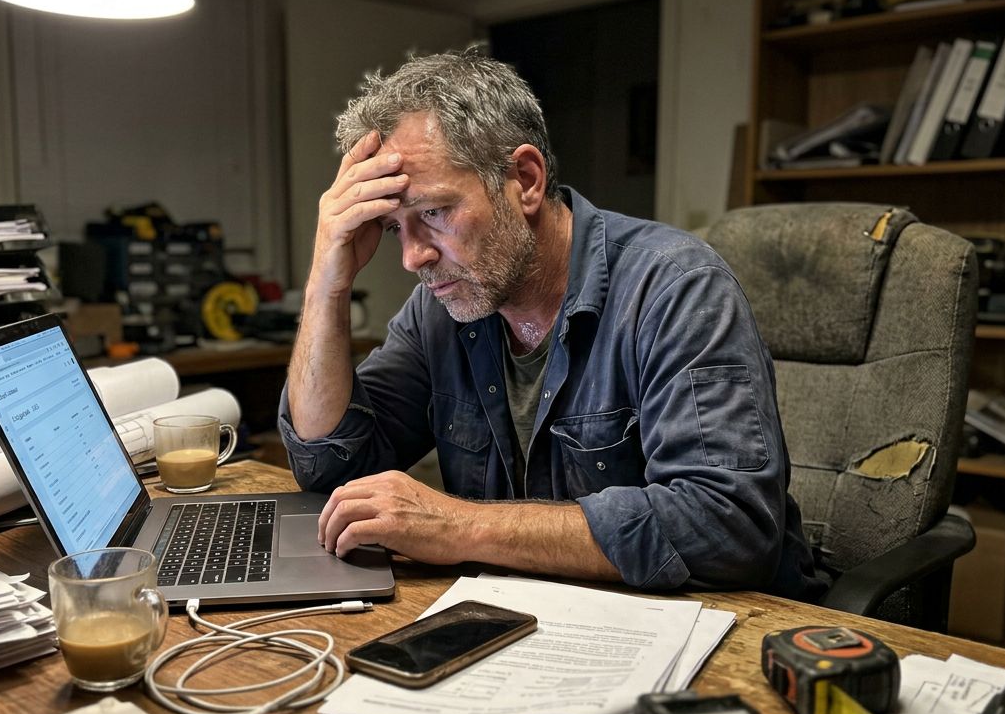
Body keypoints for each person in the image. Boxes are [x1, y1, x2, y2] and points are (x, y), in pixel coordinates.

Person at [278, 47, 824, 599]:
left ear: (526, 179)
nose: (412, 257)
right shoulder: (441, 309)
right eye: (395, 228)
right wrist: (329, 278)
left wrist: (459, 527)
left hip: (728, 628)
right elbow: (328, 465)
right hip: (536, 615)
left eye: (434, 213)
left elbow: (725, 527)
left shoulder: (676, 288)